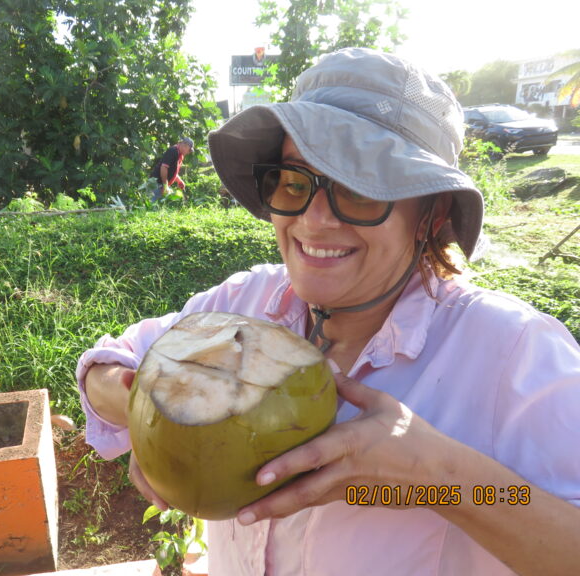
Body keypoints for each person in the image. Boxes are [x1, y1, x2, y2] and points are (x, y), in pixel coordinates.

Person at [76, 48, 580, 575]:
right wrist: (146, 407)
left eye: (359, 190)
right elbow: (107, 364)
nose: (314, 222)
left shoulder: (510, 352)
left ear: (430, 214)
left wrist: (440, 476)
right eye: (295, 183)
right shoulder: (245, 303)